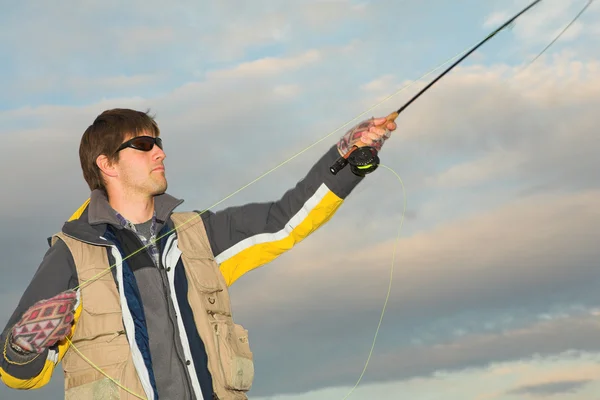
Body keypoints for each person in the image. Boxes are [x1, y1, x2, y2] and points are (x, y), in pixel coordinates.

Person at [0, 108, 396, 400]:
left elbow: (285, 219)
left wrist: (346, 158)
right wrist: (23, 347)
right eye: (143, 145)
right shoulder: (70, 255)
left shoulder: (200, 234)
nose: (160, 153)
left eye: (159, 143)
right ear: (107, 164)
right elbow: (16, 374)